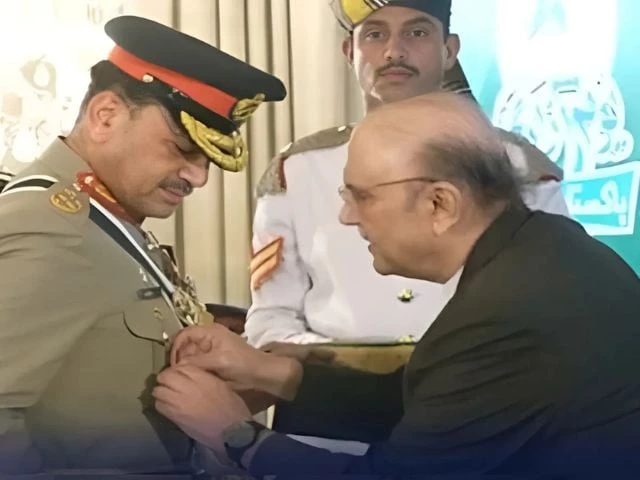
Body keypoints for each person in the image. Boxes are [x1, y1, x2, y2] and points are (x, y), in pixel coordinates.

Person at [154, 92, 640, 478]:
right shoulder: (541, 247)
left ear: (440, 205)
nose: (346, 217)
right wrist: (269, 372)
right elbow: (432, 403)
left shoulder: (502, 313)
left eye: (361, 197)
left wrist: (235, 435)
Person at [0, 15, 285, 475]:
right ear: (106, 116)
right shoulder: (49, 228)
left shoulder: (105, 215)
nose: (198, 177)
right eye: (182, 149)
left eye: (207, 160)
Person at [245, 0, 569, 349]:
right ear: (349, 52)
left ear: (449, 50)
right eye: (374, 35)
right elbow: (271, 318)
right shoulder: (298, 170)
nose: (394, 51)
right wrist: (340, 368)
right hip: (326, 376)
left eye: (417, 32)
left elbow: (557, 299)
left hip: (480, 374)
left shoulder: (517, 165)